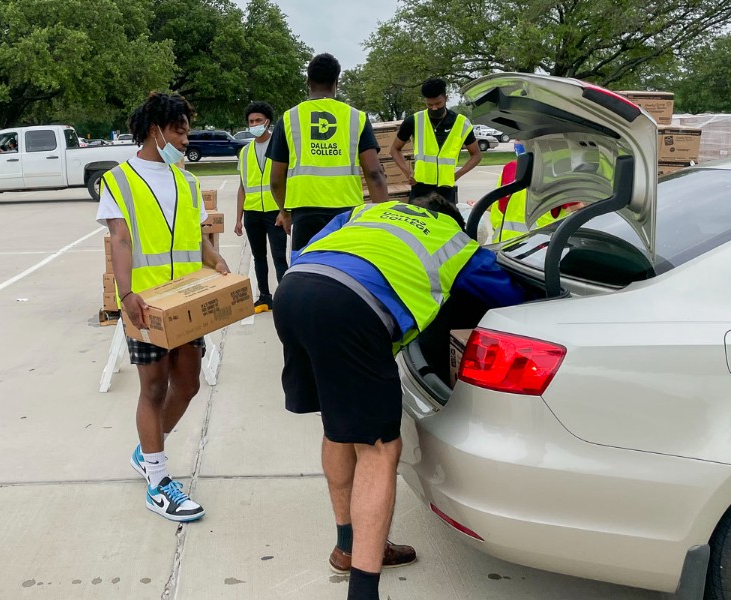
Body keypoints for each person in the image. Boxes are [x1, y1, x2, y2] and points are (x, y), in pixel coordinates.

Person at [272, 189, 526, 600]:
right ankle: (363, 590)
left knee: (337, 426)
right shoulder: (453, 239)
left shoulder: (369, 211)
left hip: (295, 291)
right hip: (352, 309)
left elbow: (312, 248)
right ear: (450, 218)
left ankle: (346, 545)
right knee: (379, 449)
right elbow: (515, 299)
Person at [95, 92, 230, 522]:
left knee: (187, 384)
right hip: (147, 304)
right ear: (155, 129)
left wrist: (217, 260)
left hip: (186, 300)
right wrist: (126, 295)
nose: (185, 138)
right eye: (179, 129)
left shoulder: (185, 180)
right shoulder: (118, 179)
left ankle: (146, 450)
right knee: (153, 389)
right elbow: (119, 238)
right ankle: (158, 481)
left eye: (187, 129)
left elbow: (196, 237)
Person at [268, 53, 388, 251]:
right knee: (345, 272)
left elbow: (275, 180)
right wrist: (381, 219)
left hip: (305, 212)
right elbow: (375, 173)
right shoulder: (356, 117)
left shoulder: (289, 118)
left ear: (308, 82)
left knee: (307, 272)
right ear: (336, 82)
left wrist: (285, 213)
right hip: (347, 212)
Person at [389, 77, 482, 205]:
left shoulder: (462, 123)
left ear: (446, 98)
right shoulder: (414, 121)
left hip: (446, 191)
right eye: (429, 105)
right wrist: (408, 173)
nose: (434, 108)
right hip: (420, 189)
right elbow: (394, 149)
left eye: (438, 104)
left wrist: (457, 175)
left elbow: (476, 155)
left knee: (445, 224)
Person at [234, 101, 289, 312]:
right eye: (251, 121)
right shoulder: (245, 152)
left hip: (275, 212)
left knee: (278, 257)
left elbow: (287, 181)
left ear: (267, 121)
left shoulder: (280, 146)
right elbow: (242, 187)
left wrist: (285, 211)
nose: (254, 124)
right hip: (253, 213)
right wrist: (238, 218)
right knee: (258, 257)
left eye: (258, 120)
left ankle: (284, 298)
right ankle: (264, 297)